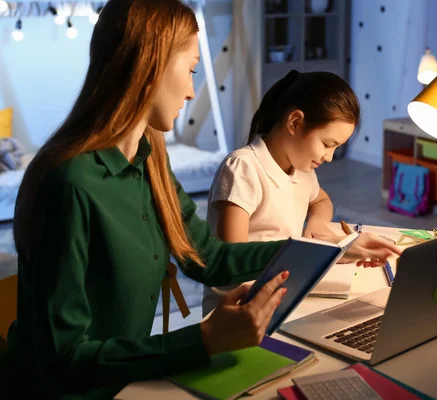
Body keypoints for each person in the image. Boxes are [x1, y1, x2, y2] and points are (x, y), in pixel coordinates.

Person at [1, 1, 290, 398]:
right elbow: (62, 359)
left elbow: (208, 256)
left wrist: (316, 250)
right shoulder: (69, 183)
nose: (191, 90)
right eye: (190, 70)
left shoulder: (149, 158)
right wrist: (203, 340)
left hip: (126, 386)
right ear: (149, 65)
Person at [203, 70, 402, 315]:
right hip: (238, 311)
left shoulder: (301, 169)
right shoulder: (243, 168)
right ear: (295, 122)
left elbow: (321, 199)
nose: (329, 157)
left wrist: (318, 225)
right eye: (327, 144)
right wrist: (334, 250)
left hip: (284, 296)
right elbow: (232, 260)